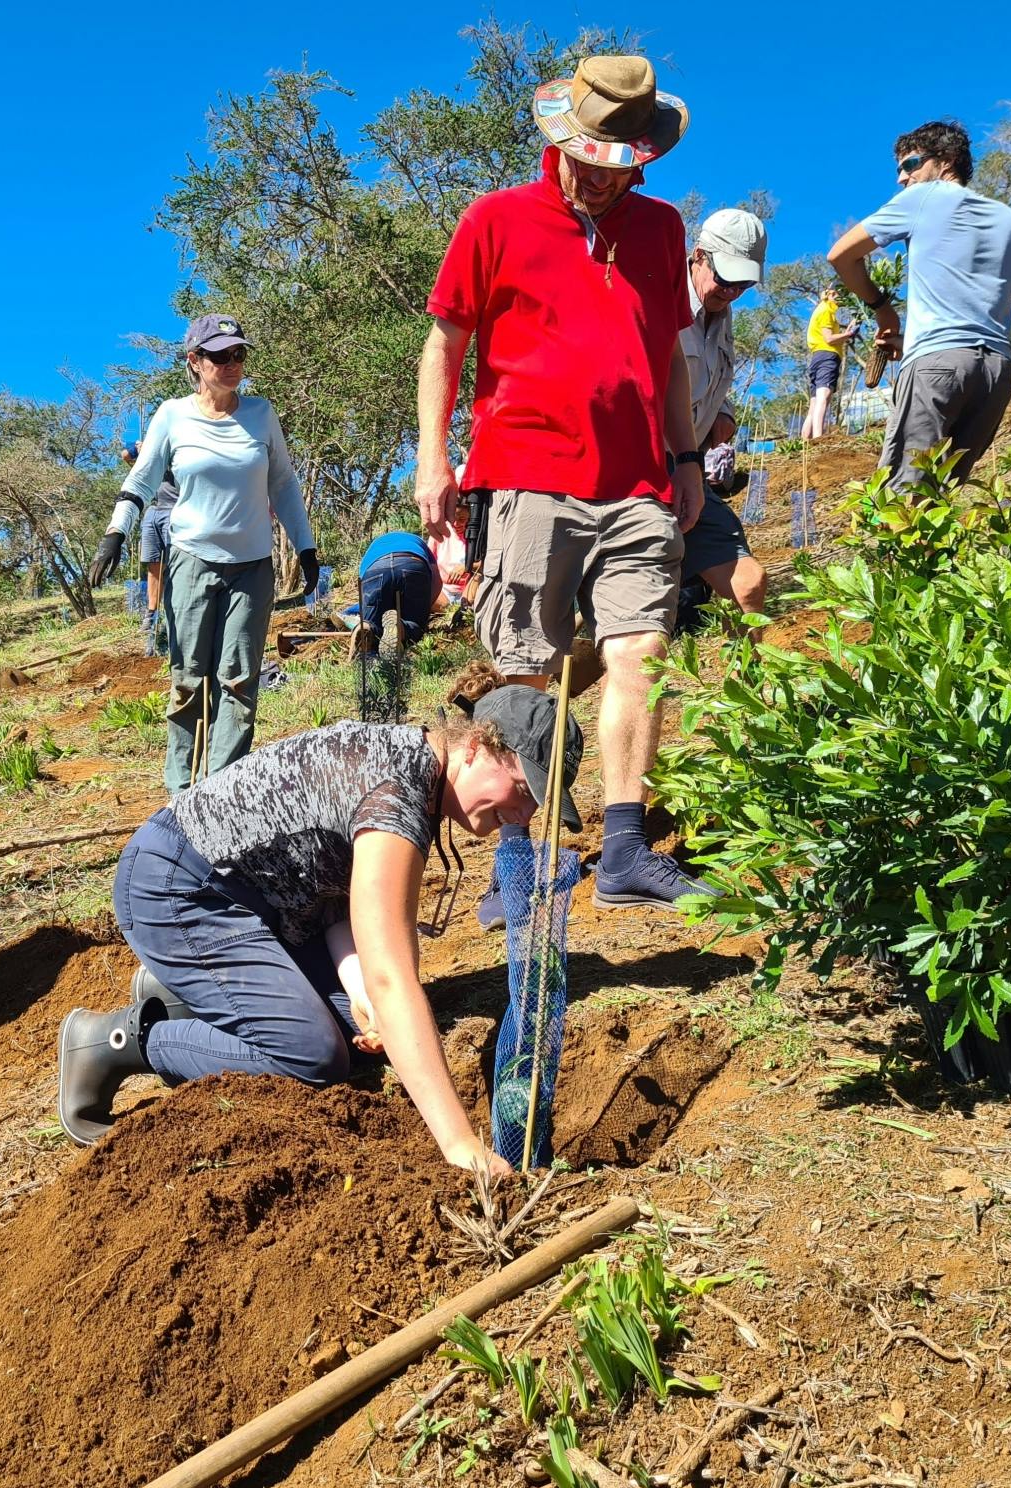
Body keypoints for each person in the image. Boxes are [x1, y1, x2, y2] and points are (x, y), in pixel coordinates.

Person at [56, 668, 582, 1177]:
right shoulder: (397, 798)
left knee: (364, 1026)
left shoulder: (415, 766)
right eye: (522, 789)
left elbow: (331, 897)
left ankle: (193, 988)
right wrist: (459, 1143)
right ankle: (122, 1040)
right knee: (313, 1058)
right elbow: (393, 977)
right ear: (478, 747)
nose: (523, 816)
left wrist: (359, 990)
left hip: (257, 903)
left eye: (536, 805)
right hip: (178, 890)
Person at [414, 54, 709, 923]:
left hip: (639, 482)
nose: (604, 176)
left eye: (623, 162)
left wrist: (685, 459)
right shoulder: (496, 219)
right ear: (560, 140)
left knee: (640, 654)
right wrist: (435, 460)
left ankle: (621, 850)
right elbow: (445, 345)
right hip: (525, 472)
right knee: (524, 670)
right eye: (590, 155)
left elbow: (670, 362)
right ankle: (516, 863)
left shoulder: (660, 233)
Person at [90, 315, 318, 793]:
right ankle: (181, 795)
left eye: (239, 354)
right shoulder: (173, 415)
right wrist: (117, 531)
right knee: (189, 681)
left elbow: (284, 483)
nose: (232, 363)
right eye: (220, 355)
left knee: (238, 683)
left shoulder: (261, 414)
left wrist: (306, 545)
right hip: (192, 562)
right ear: (194, 361)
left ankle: (222, 792)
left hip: (252, 568)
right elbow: (143, 479)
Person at [829, 121, 1011, 485]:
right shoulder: (1008, 219)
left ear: (946, 160)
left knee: (902, 500)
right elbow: (998, 303)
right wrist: (911, 344)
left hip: (937, 366)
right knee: (941, 497)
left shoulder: (923, 198)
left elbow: (841, 256)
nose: (902, 179)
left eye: (911, 164)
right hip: (998, 372)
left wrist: (882, 309)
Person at [676, 208, 769, 621]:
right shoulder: (660, 299)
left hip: (688, 470)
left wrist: (722, 412)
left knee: (750, 584)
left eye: (744, 284)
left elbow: (709, 383)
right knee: (640, 613)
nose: (732, 292)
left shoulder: (722, 318)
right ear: (698, 255)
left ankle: (748, 683)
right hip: (639, 473)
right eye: (727, 278)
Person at [120, 440, 180, 651]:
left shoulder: (177, 446)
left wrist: (158, 454)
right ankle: (151, 613)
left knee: (175, 564)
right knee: (153, 565)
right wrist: (141, 449)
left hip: (175, 509)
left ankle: (176, 614)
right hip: (153, 510)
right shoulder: (149, 448)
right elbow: (126, 455)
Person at [353, 530, 444, 656]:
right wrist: (424, 607)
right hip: (412, 564)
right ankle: (400, 627)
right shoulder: (419, 542)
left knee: (373, 623)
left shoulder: (374, 546)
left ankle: (366, 628)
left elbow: (364, 588)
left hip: (375, 567)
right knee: (415, 623)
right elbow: (437, 580)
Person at [800, 288, 856, 440]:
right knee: (823, 396)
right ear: (831, 294)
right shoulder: (826, 311)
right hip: (827, 356)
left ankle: (806, 441)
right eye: (839, 295)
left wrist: (847, 332)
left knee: (814, 403)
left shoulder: (823, 309)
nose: (842, 299)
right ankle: (819, 438)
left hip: (818, 356)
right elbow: (829, 338)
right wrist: (849, 334)